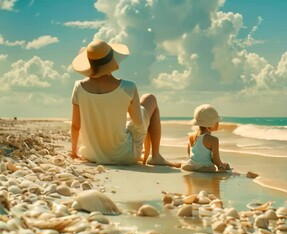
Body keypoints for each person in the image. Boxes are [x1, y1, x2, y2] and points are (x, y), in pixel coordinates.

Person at [70, 39, 179, 167]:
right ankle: (155, 156)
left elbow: (75, 126)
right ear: (112, 60)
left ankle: (153, 155)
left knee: (135, 115)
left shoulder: (78, 87)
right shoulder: (127, 87)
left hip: (92, 155)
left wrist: (73, 152)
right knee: (150, 99)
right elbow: (138, 122)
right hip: (124, 156)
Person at [181, 104, 231, 172]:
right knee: (223, 168)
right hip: (206, 168)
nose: (218, 123)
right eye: (216, 121)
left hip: (191, 166)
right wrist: (223, 165)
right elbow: (216, 161)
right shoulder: (214, 140)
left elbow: (190, 155)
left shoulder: (191, 136)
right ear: (210, 124)